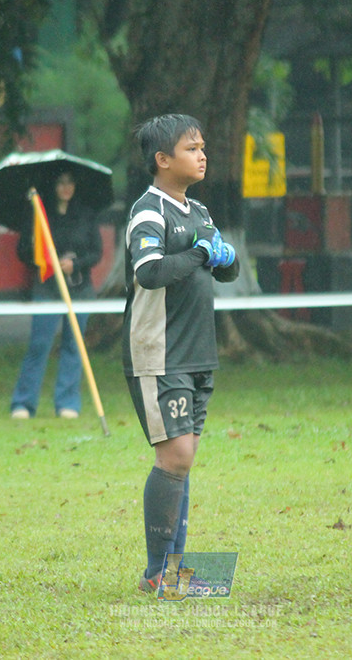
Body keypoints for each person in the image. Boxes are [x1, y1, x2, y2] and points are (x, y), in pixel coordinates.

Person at [122, 114, 240, 593]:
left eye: (203, 147)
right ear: (163, 159)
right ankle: (159, 573)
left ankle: (177, 571)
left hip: (198, 354)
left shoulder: (200, 212)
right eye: (192, 148)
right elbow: (149, 271)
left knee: (182, 459)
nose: (202, 155)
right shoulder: (149, 212)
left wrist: (224, 256)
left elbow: (224, 270)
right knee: (175, 456)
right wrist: (199, 251)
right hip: (159, 353)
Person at [10, 170, 102, 420]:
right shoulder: (39, 215)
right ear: (53, 187)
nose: (66, 187)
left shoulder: (86, 214)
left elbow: (96, 252)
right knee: (39, 344)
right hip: (47, 289)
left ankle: (67, 403)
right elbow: (23, 251)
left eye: (70, 182)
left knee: (74, 345)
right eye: (60, 182)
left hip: (80, 290)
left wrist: (75, 264)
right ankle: (23, 403)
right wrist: (46, 260)